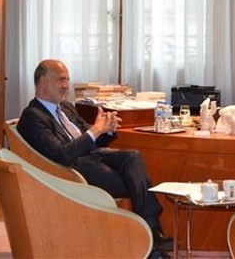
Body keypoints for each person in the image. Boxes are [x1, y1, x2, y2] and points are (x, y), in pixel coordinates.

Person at [17, 59, 172, 258]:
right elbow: (61, 155)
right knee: (138, 183)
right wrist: (96, 130)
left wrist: (106, 130)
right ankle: (151, 243)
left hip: (93, 157)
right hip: (72, 170)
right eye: (61, 80)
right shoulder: (32, 116)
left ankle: (151, 233)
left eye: (67, 80)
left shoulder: (65, 107)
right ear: (43, 82)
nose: (66, 85)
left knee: (133, 157)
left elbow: (91, 138)